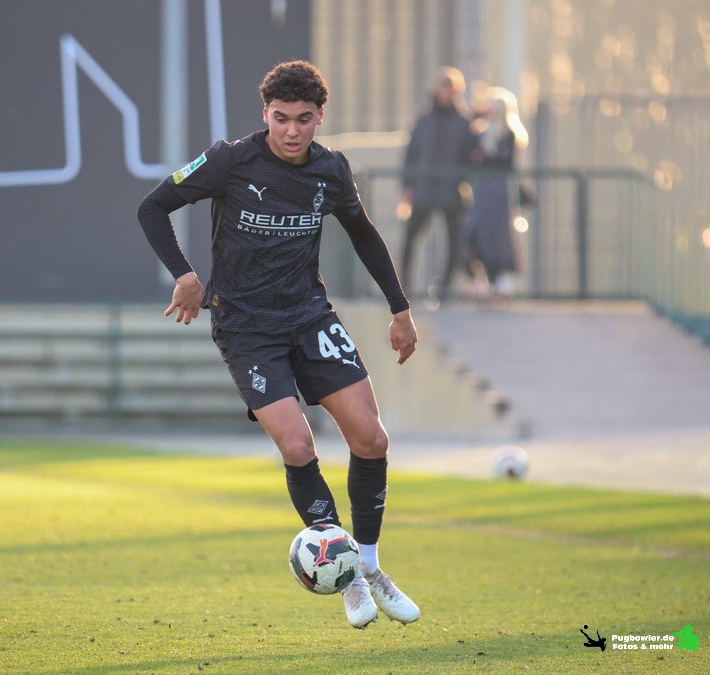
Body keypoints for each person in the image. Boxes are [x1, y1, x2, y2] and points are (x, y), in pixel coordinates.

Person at [137, 60, 420, 629]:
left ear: (320, 118)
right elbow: (152, 207)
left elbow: (363, 233)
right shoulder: (229, 160)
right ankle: (344, 577)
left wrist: (399, 308)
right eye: (281, 118)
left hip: (309, 317)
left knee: (371, 438)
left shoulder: (331, 170)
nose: (292, 131)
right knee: (296, 445)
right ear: (265, 114)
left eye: (304, 119)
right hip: (246, 327)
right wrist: (185, 274)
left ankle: (368, 566)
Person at [399, 67, 477, 302]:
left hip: (451, 191)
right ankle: (403, 285)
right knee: (411, 236)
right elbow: (412, 154)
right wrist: (408, 186)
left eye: (451, 88)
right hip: (424, 189)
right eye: (443, 86)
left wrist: (464, 181)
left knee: (455, 241)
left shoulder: (464, 122)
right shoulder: (424, 120)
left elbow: (471, 157)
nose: (446, 92)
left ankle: (446, 287)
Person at [461, 87, 528, 300]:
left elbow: (503, 160)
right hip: (481, 191)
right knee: (473, 232)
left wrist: (488, 155)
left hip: (500, 191)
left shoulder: (511, 134)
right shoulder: (480, 132)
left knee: (499, 235)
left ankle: (499, 277)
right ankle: (479, 277)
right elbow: (472, 155)